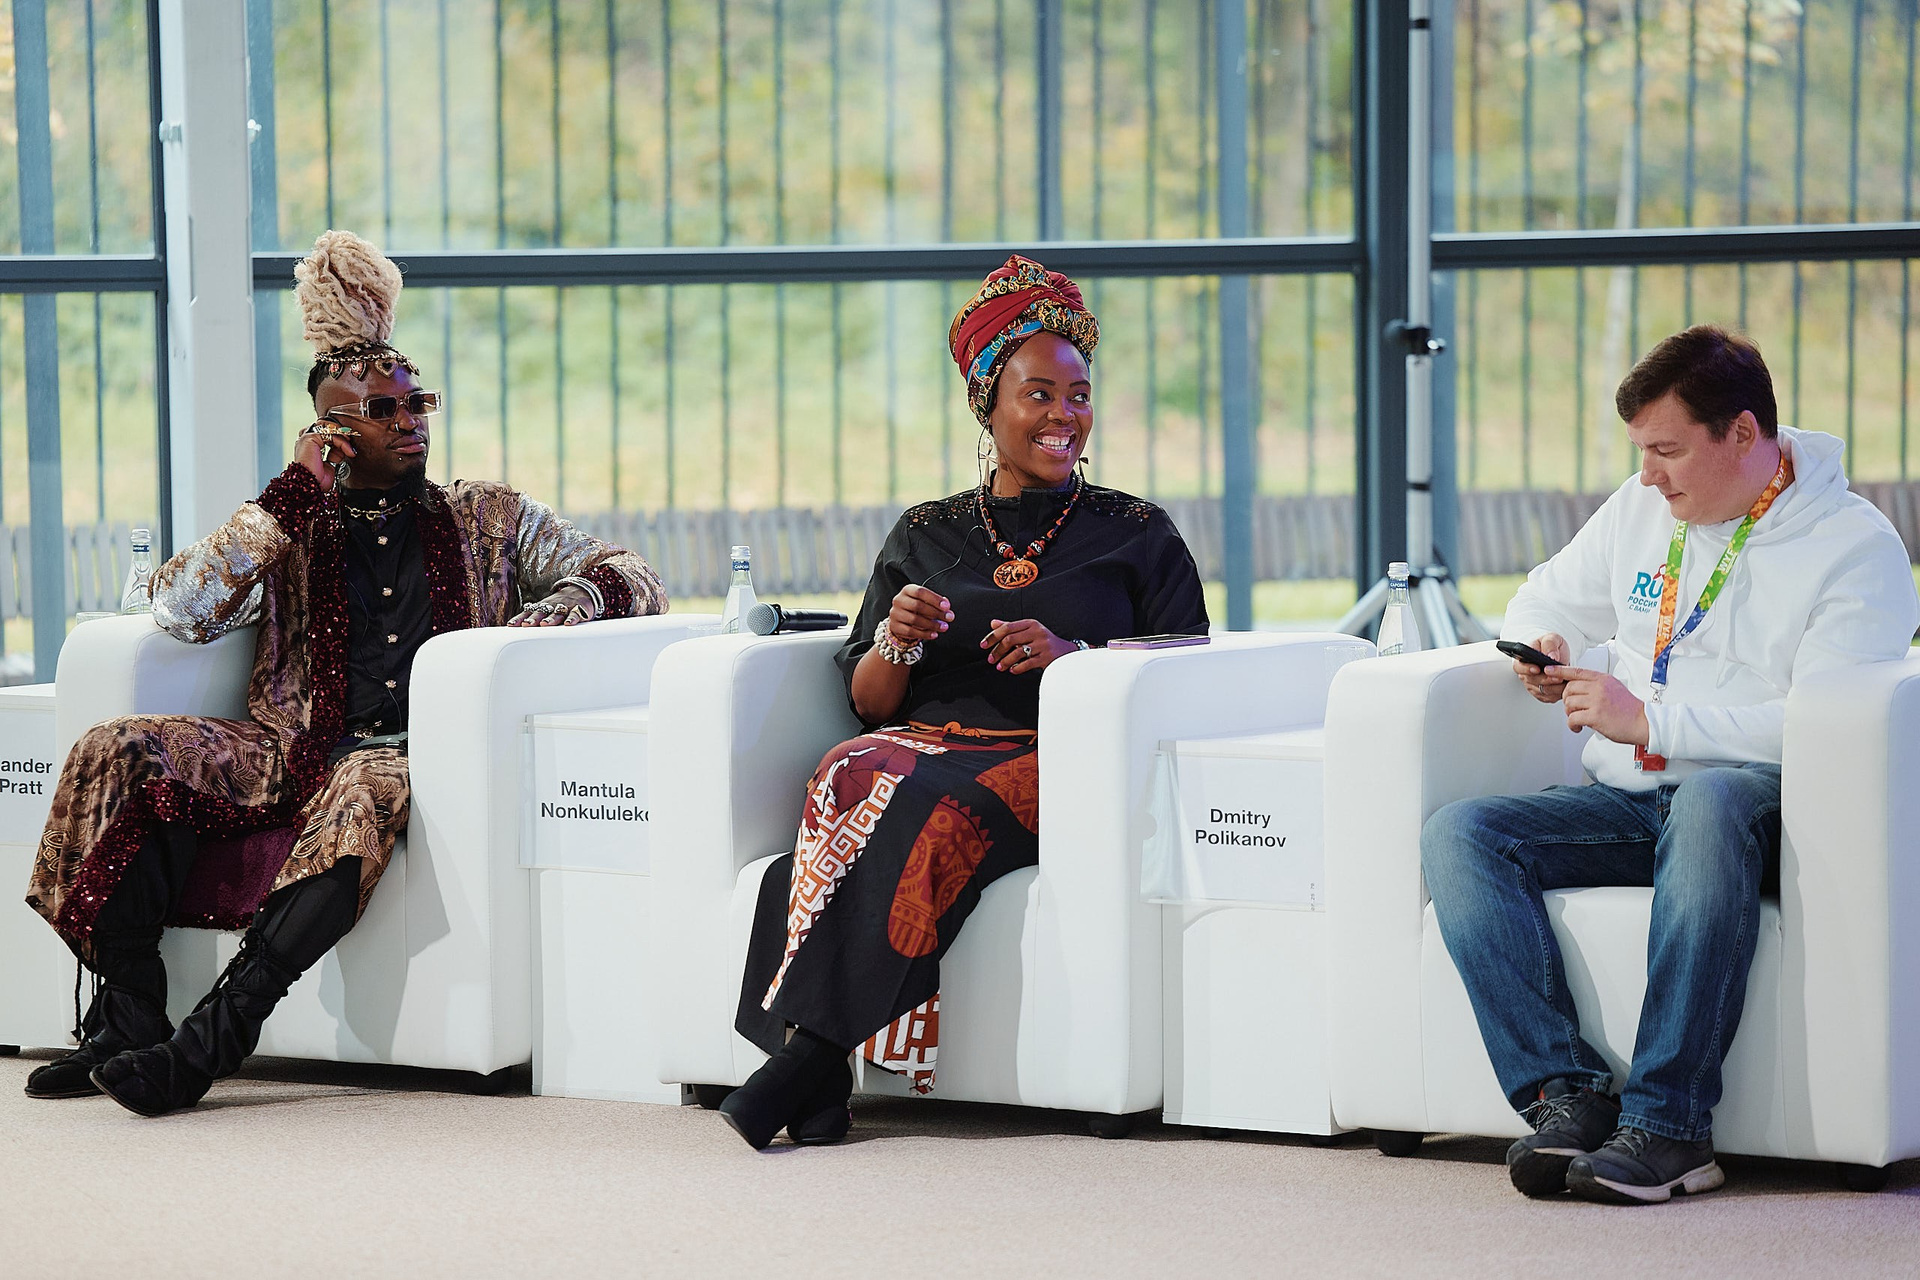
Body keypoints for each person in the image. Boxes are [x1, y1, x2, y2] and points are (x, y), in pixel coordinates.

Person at [23, 230, 667, 1116]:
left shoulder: (488, 516)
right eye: (383, 410)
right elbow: (179, 610)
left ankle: (210, 1041)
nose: (411, 422)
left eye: (418, 403)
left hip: (408, 757)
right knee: (118, 747)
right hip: (286, 749)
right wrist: (290, 494)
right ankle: (127, 1016)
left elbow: (633, 574)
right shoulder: (289, 526)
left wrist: (548, 616)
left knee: (364, 786)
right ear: (331, 432)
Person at [1421, 325, 1919, 1204]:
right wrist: (1547, 643)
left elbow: (1825, 727)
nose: (1649, 475)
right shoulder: (1643, 506)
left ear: (1742, 432)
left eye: (1666, 450)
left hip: (1768, 810)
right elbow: (1543, 594)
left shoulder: (1855, 548)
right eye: (1641, 452)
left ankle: (1671, 1126)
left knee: (1712, 800)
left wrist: (1651, 720)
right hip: (1634, 799)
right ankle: (1565, 1096)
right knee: (1463, 834)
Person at [719, 255, 1208, 1149]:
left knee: (934, 804)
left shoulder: (1137, 534)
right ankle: (815, 1076)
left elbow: (1188, 674)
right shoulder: (926, 531)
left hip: (1051, 758)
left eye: (1079, 395)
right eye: (1038, 394)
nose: (1064, 416)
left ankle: (807, 1058)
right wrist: (898, 638)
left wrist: (1075, 662)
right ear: (988, 403)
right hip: (920, 741)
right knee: (850, 766)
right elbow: (870, 704)